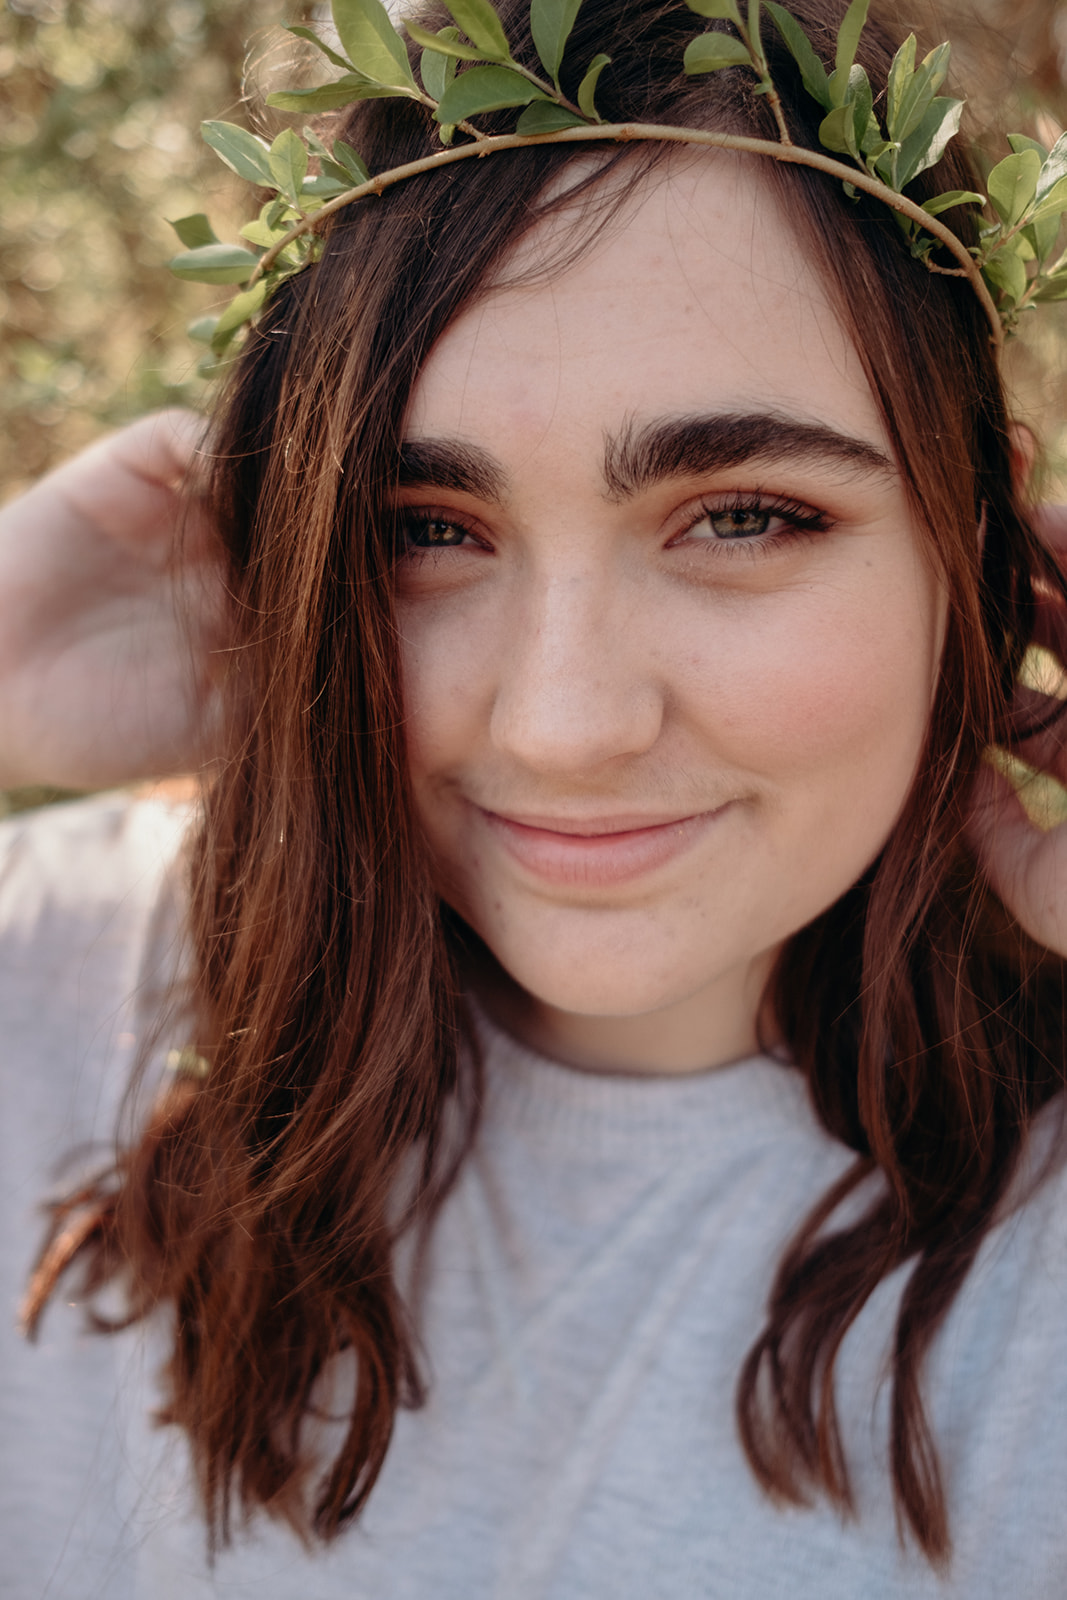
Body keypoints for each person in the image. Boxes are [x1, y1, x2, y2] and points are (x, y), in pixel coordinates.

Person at [2, 0, 1067, 1594]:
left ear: (978, 560)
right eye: (428, 527)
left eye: (749, 516)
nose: (567, 723)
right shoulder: (59, 973)